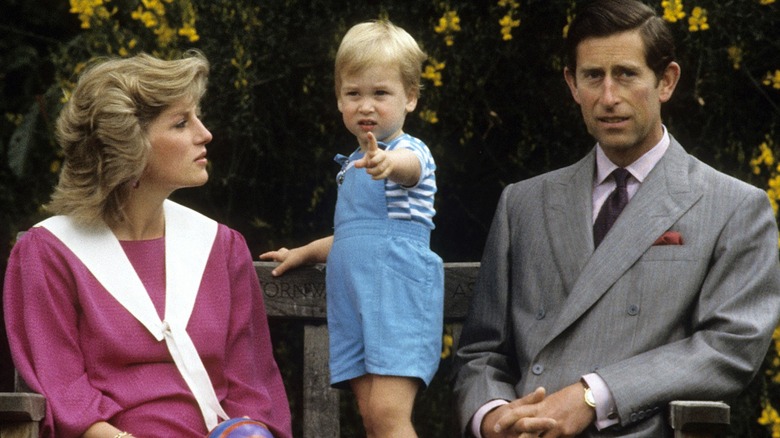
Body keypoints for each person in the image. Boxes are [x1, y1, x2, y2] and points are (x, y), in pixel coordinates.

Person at [452, 1, 780, 437]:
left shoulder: (734, 206)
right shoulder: (523, 203)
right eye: (593, 76)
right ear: (572, 84)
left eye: (626, 74)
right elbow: (480, 352)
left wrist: (593, 395)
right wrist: (494, 416)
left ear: (666, 81)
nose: (608, 98)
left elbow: (730, 347)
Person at [3, 51, 293, 438]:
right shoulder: (50, 252)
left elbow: (253, 391)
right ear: (130, 146)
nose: (204, 134)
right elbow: (64, 391)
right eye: (180, 123)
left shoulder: (220, 247)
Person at [260, 20, 444, 438]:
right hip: (354, 299)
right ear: (339, 99)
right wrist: (304, 252)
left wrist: (386, 165)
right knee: (369, 415)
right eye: (353, 93)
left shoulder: (407, 150)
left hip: (397, 293)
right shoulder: (348, 165)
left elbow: (410, 171)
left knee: (388, 414)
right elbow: (354, 235)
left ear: (410, 98)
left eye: (381, 93)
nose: (366, 105)